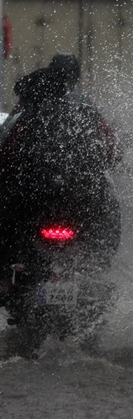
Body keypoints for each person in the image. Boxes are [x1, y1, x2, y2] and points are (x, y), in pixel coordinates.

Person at [0, 58, 120, 302]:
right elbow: (111, 153)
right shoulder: (89, 114)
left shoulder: (23, 119)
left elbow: (6, 158)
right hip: (83, 202)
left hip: (32, 204)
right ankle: (100, 265)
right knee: (110, 207)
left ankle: (3, 277)